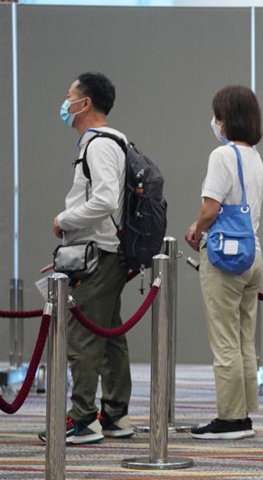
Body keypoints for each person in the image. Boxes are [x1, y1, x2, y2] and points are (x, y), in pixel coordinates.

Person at [39, 72, 132, 444]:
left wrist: (64, 220)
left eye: (69, 96)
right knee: (109, 336)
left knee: (84, 338)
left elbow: (105, 200)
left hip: (98, 254)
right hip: (101, 252)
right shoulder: (114, 141)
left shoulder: (98, 144)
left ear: (85, 103)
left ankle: (82, 419)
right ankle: (114, 415)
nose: (65, 103)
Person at [184, 85, 263, 440]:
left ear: (226, 119)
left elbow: (211, 207)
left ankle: (230, 418)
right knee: (245, 338)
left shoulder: (222, 156)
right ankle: (244, 411)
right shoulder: (255, 157)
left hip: (223, 255)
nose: (214, 122)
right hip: (253, 254)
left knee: (224, 339)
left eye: (217, 115)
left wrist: (195, 229)